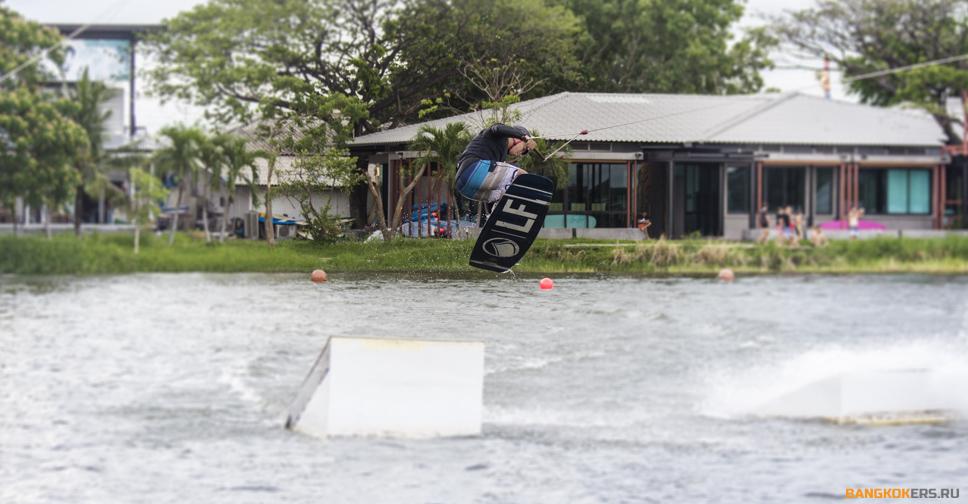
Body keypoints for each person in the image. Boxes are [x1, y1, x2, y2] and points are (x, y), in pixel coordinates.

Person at [455, 124, 536, 206]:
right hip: (472, 169)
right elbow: (497, 128)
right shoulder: (498, 135)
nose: (520, 154)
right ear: (517, 138)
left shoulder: (501, 154)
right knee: (521, 175)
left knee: (504, 195)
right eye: (523, 149)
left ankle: (498, 217)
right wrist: (525, 137)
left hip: (464, 187)